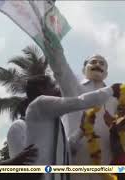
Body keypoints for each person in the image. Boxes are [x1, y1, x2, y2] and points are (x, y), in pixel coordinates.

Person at [43, 36, 118, 180]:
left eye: (102, 63)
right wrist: (54, 47)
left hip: (106, 168)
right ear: (84, 69)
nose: (98, 65)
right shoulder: (73, 87)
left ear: (106, 73)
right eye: (93, 62)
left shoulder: (115, 99)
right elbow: (61, 69)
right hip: (74, 163)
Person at [23, 74, 121, 180]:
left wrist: (81, 130)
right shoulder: (39, 104)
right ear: (41, 89)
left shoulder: (51, 119)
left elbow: (66, 150)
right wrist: (111, 90)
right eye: (52, 86)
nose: (57, 89)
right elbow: (79, 101)